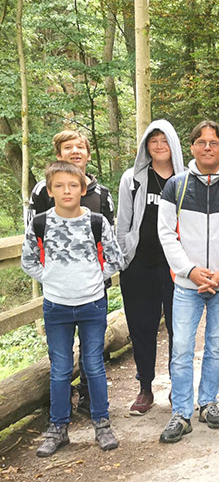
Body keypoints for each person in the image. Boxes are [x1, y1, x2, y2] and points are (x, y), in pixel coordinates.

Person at [157, 120, 219, 443]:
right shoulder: (177, 186)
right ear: (193, 147)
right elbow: (166, 233)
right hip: (187, 284)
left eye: (214, 142)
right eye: (201, 142)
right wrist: (191, 271)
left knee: (215, 346)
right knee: (182, 347)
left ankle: (208, 403)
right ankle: (181, 412)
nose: (208, 147)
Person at [21, 161, 124, 457]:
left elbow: (115, 259)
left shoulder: (96, 222)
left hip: (92, 304)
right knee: (61, 368)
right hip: (57, 307)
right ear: (50, 191)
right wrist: (51, 279)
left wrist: (93, 279)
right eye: (59, 186)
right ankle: (58, 427)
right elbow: (29, 261)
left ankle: (101, 423)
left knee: (93, 365)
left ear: (82, 188)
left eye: (73, 185)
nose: (67, 191)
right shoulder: (40, 223)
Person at [25, 130, 115, 416]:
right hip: (58, 295)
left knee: (94, 358)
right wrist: (51, 277)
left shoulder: (101, 195)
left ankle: (94, 408)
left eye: (80, 146)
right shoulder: (42, 192)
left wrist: (95, 276)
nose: (75, 151)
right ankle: (59, 417)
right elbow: (32, 244)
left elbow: (112, 245)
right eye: (68, 147)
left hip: (92, 291)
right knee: (61, 362)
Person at [116, 120, 184, 415]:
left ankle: (177, 387)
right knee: (141, 327)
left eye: (164, 140)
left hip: (174, 267)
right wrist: (123, 257)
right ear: (146, 145)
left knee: (177, 328)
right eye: (153, 140)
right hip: (138, 265)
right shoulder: (132, 179)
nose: (158, 146)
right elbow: (123, 222)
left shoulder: (185, 180)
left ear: (173, 145)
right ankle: (145, 387)